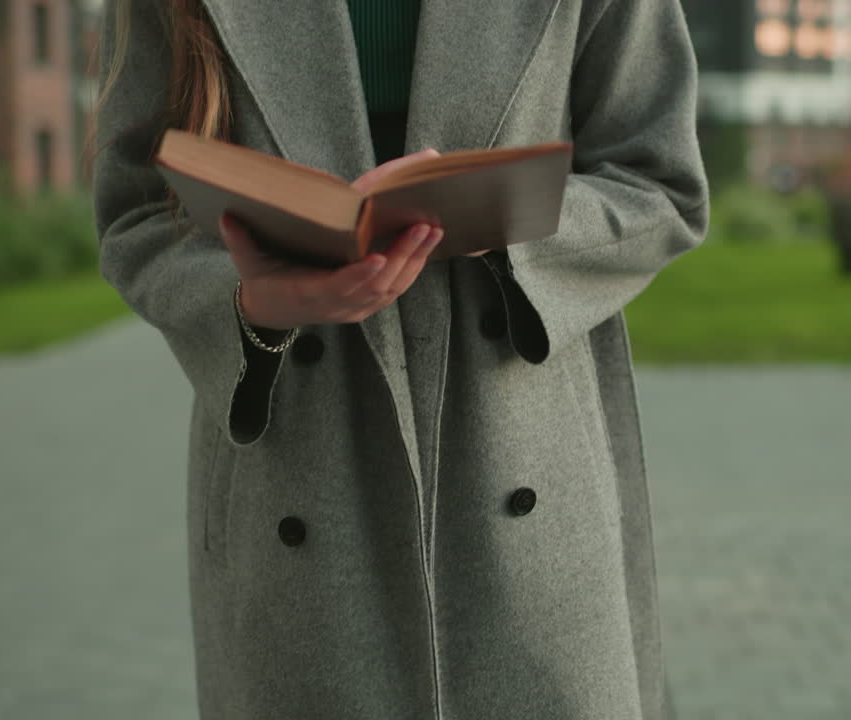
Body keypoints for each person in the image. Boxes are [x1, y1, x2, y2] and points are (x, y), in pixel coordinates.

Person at [92, 1, 708, 718]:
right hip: (297, 479)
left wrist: (499, 216)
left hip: (524, 475)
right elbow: (135, 211)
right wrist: (255, 303)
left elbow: (659, 180)